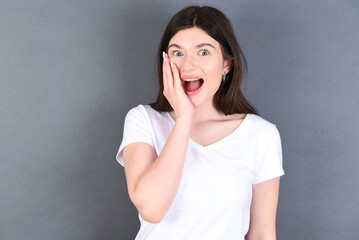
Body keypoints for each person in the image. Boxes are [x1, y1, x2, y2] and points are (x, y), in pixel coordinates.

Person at [116, 5, 284, 240]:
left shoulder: (261, 135)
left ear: (227, 64)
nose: (187, 65)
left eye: (203, 52)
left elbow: (262, 233)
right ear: (165, 61)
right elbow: (152, 209)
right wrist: (184, 118)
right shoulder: (143, 120)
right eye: (177, 52)